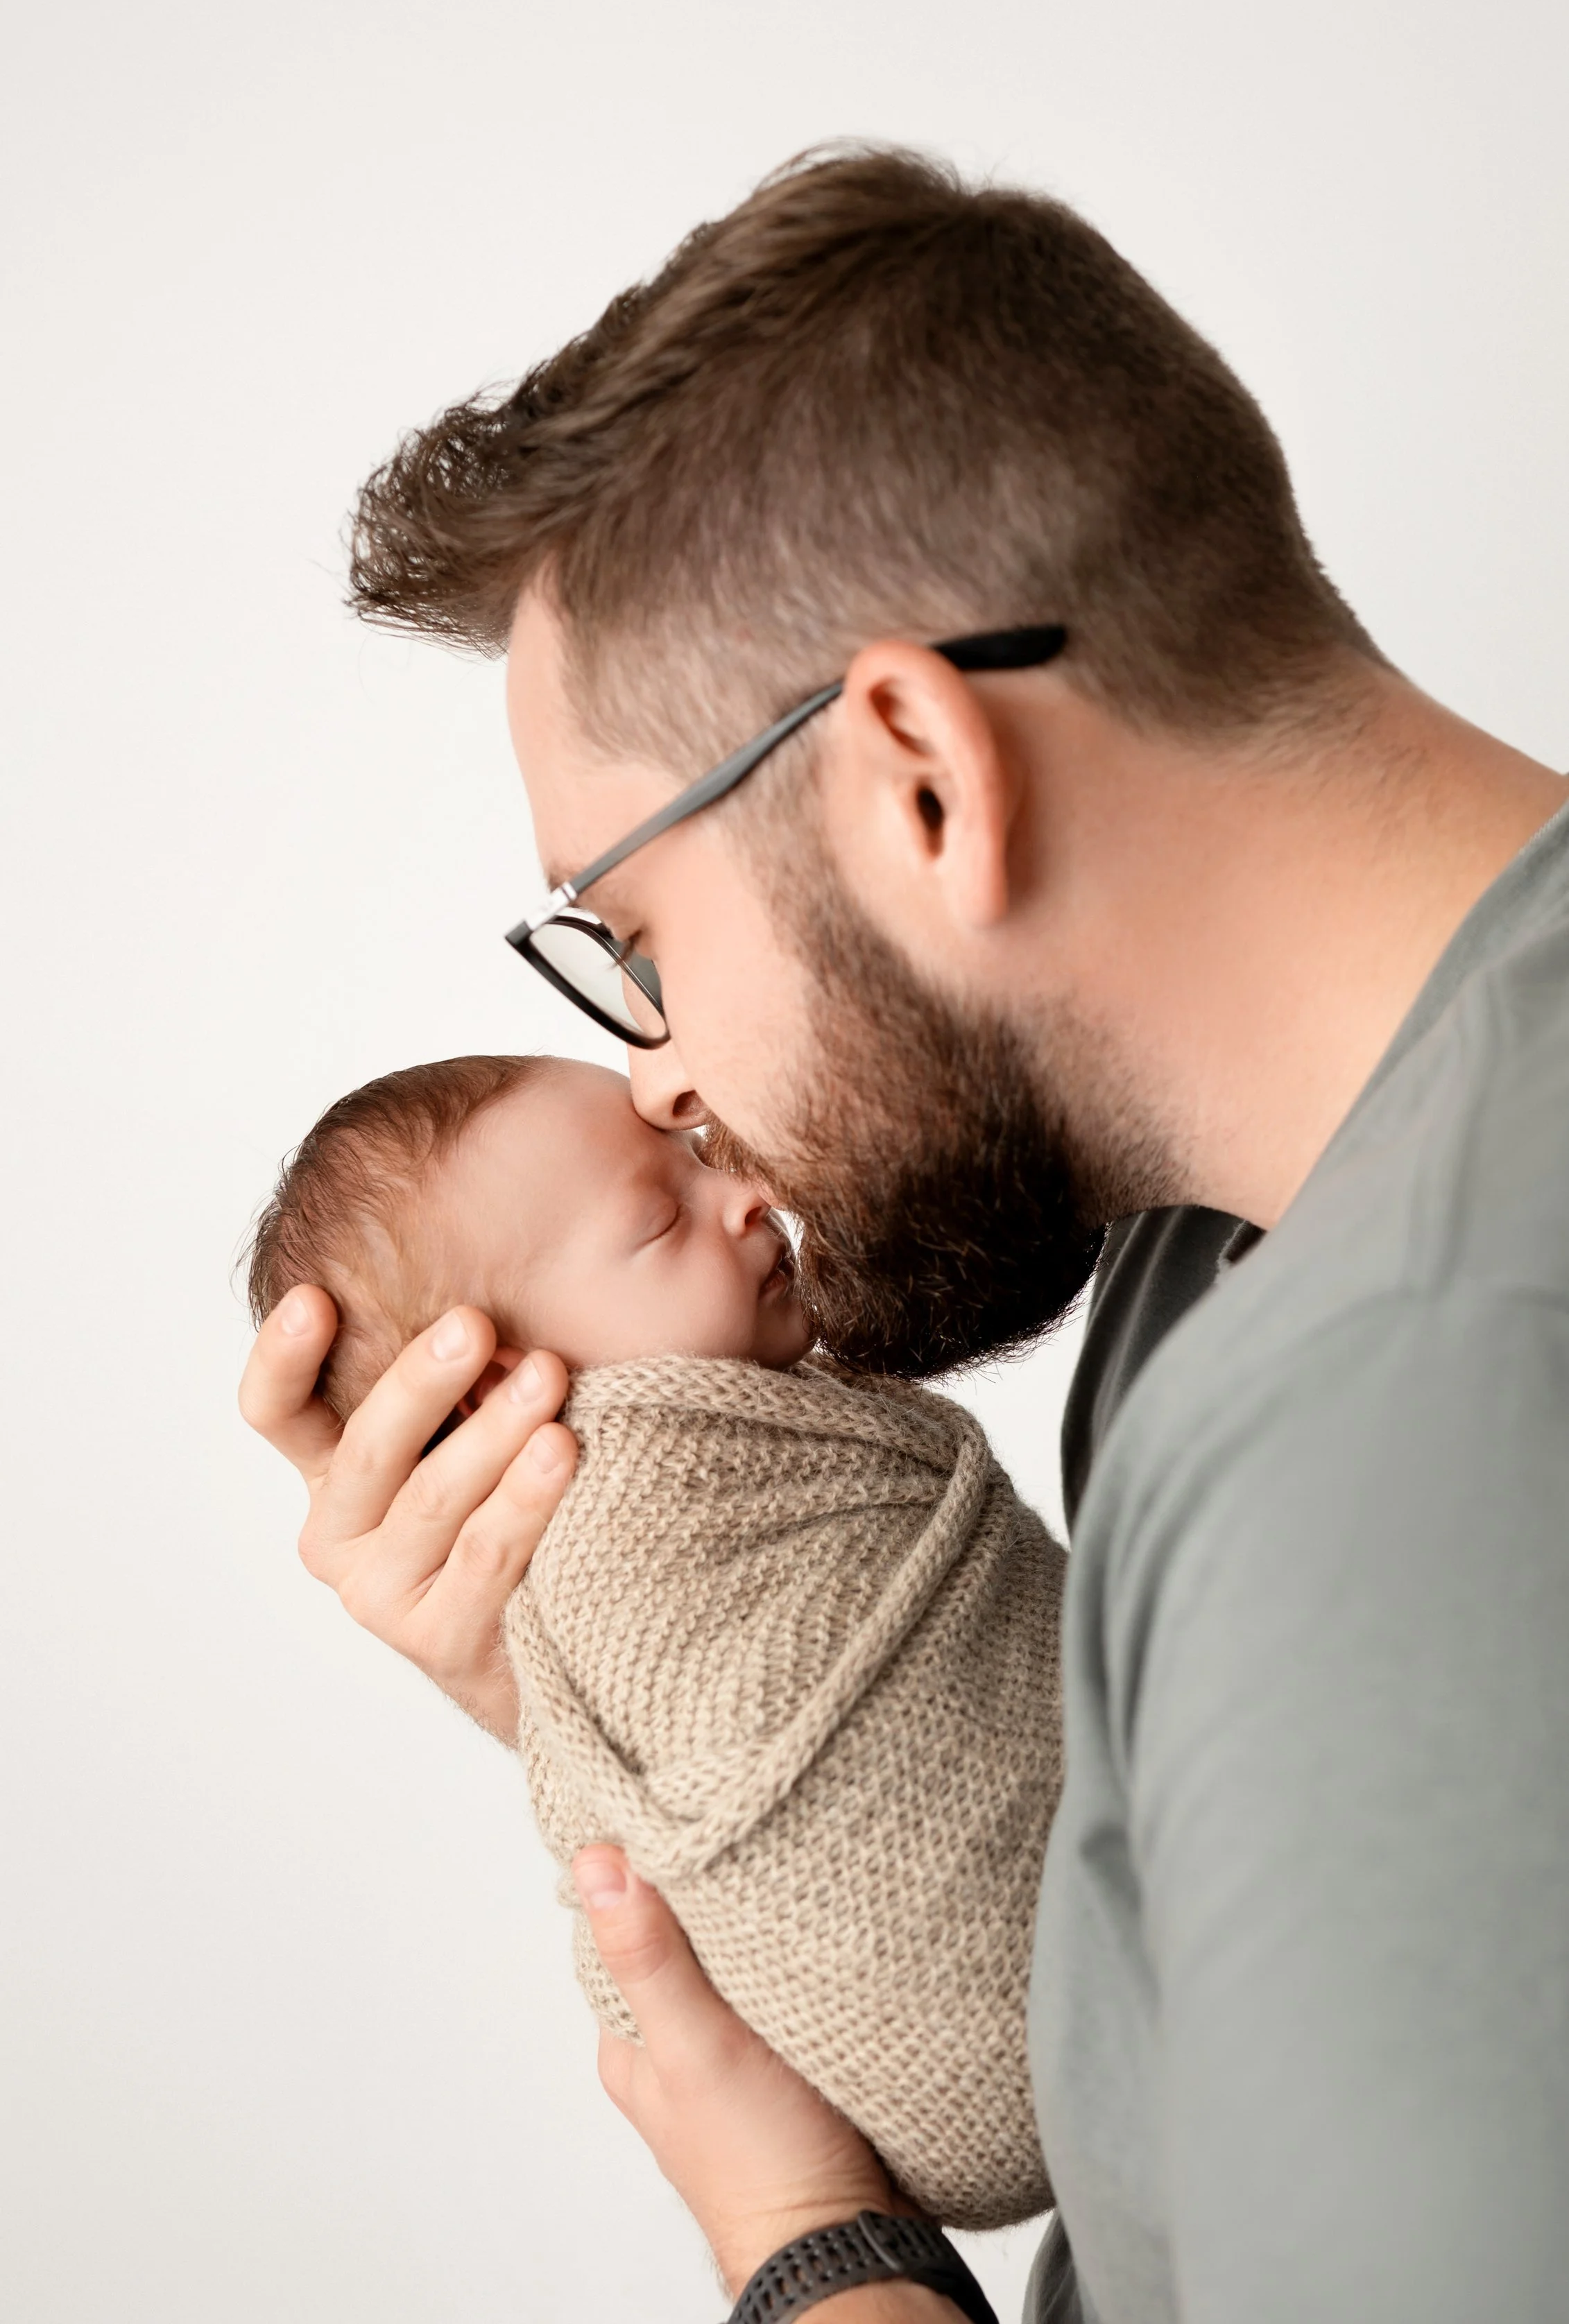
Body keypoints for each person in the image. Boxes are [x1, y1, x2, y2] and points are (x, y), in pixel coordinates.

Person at [239, 146, 1569, 2322]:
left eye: (636, 935)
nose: (660, 1072)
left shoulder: (1411, 1435)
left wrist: (806, 2244)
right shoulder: (1232, 1245)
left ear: (917, 775)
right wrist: (610, 1684)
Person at [243, 1049, 1067, 2237]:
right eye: (655, 1216)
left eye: (699, 1164)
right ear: (491, 1392)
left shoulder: (772, 1448)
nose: (741, 1193)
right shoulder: (623, 1534)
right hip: (989, 2028)